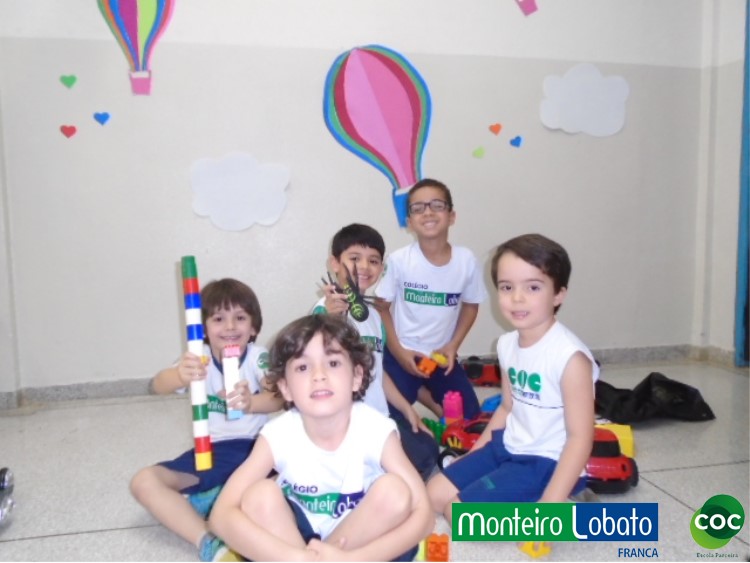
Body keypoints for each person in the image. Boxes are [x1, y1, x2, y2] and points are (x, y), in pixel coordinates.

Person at [209, 314, 434, 562]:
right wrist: (297, 558)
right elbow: (220, 516)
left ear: (356, 377)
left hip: (361, 537)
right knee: (258, 496)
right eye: (303, 367)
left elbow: (424, 515)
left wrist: (352, 559)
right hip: (296, 538)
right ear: (285, 388)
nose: (319, 375)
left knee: (395, 491)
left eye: (333, 363)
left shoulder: (376, 429)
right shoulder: (277, 435)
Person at [426, 233, 600, 522]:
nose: (517, 298)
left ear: (558, 294)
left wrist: (549, 507)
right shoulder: (507, 345)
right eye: (507, 287)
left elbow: (580, 438)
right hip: (507, 445)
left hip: (546, 461)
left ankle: (569, 508)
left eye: (533, 287)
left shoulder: (571, 359)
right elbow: (507, 408)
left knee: (459, 517)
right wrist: (474, 453)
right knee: (433, 495)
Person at [130, 278, 283, 562]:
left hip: (256, 451)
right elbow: (158, 385)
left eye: (240, 318)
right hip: (209, 452)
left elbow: (278, 397)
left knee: (277, 494)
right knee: (144, 482)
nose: (230, 327)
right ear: (203, 329)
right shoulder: (198, 358)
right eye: (218, 319)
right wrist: (179, 376)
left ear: (253, 327)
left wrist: (251, 403)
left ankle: (213, 500)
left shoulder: (257, 358)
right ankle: (208, 540)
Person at [314, 223, 439, 480]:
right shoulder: (324, 311)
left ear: (381, 269)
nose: (364, 266)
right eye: (354, 258)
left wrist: (407, 409)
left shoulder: (374, 315)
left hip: (377, 417)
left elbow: (377, 372)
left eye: (373, 261)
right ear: (334, 263)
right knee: (401, 469)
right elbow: (319, 358)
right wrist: (331, 317)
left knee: (427, 450)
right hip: (343, 423)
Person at [375, 178, 485, 421]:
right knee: (386, 417)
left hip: (440, 356)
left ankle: (432, 400)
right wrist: (399, 352)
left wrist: (453, 345)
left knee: (470, 419)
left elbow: (471, 305)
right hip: (402, 352)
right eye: (418, 208)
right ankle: (422, 399)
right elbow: (381, 308)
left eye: (437, 205)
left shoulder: (466, 260)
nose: (428, 212)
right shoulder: (399, 260)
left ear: (452, 216)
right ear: (409, 221)